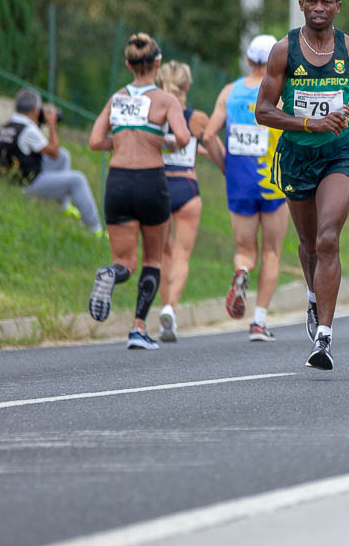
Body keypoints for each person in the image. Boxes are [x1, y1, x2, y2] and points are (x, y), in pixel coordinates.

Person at [255, 0, 349, 370]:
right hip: (296, 156)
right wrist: (310, 123)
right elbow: (263, 111)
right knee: (308, 243)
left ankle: (324, 335)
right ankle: (313, 296)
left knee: (327, 238)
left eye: (327, 2)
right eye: (313, 1)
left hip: (338, 153)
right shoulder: (283, 50)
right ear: (301, 4)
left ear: (338, 6)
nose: (319, 8)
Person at [86, 33, 190, 350]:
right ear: (157, 64)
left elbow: (95, 141)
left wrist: (120, 143)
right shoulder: (166, 100)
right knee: (153, 259)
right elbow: (183, 137)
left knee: (125, 262)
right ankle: (138, 327)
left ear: (129, 65)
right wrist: (165, 142)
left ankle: (111, 273)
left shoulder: (117, 98)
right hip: (150, 182)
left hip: (117, 181)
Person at [203, 34, 292, 341]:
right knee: (272, 252)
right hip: (273, 182)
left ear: (249, 60)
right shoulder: (281, 94)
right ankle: (258, 321)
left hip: (239, 180)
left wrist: (225, 167)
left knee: (245, 251)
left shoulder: (230, 92)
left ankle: (242, 272)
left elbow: (208, 136)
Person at [154, 62, 210, 343]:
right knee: (182, 255)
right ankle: (171, 309)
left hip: (159, 185)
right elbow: (211, 145)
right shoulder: (196, 118)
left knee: (162, 254)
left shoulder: (152, 115)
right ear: (187, 87)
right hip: (187, 185)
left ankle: (165, 310)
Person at [0, 88, 102, 232]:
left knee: (64, 156)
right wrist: (52, 124)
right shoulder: (28, 130)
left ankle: (63, 206)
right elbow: (54, 152)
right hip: (26, 185)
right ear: (35, 110)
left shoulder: (6, 128)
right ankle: (95, 228)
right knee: (78, 179)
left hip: (10, 180)